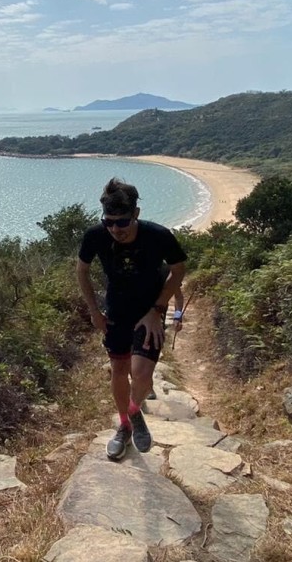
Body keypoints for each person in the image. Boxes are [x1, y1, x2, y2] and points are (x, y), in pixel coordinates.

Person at [77, 178, 187, 460]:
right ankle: (125, 426)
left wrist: (159, 309)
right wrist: (94, 311)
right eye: (109, 222)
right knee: (119, 368)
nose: (115, 229)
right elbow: (82, 271)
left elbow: (178, 270)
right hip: (116, 312)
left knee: (141, 375)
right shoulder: (95, 236)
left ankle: (134, 411)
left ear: (135, 214)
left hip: (149, 312)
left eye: (122, 222)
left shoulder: (158, 235)